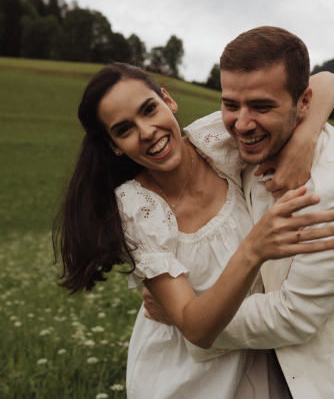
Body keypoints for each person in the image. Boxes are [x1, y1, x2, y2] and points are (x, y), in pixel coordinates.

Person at [53, 61, 334, 399]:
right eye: (124, 129)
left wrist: (305, 137)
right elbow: (194, 327)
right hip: (182, 374)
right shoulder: (136, 209)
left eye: (149, 109)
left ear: (168, 100)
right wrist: (254, 248)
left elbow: (324, 82)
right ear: (113, 144)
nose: (147, 131)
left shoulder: (217, 141)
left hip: (260, 357)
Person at [144, 27, 334, 398]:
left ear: (304, 102)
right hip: (221, 374)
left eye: (262, 106)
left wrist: (190, 316)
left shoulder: (325, 193)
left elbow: (295, 315)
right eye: (230, 104)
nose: (242, 124)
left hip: (305, 375)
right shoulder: (223, 138)